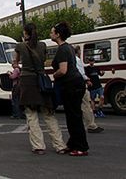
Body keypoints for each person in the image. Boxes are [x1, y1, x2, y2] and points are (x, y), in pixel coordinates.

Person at [15, 23, 68, 155]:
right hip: (42, 81)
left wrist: (19, 64)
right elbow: (43, 61)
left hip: (27, 82)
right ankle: (59, 145)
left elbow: (15, 63)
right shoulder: (42, 45)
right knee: (49, 114)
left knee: (31, 115)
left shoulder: (20, 46)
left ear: (25, 33)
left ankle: (38, 146)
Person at [51, 22, 89, 156]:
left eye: (52, 32)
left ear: (58, 34)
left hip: (71, 85)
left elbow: (63, 70)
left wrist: (54, 75)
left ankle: (81, 146)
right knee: (73, 116)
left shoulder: (62, 49)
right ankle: (73, 143)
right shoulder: (69, 48)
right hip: (76, 83)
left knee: (74, 117)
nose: (51, 34)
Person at [73, 46, 104, 133]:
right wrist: (87, 80)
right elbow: (81, 72)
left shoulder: (70, 59)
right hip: (80, 85)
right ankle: (91, 125)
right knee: (86, 105)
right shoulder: (77, 60)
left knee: (79, 106)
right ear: (78, 52)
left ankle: (81, 125)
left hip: (74, 85)